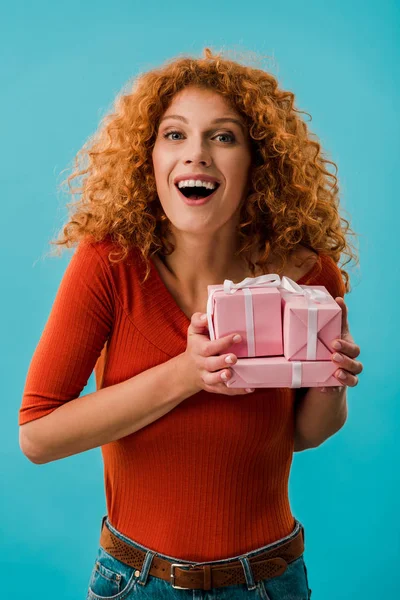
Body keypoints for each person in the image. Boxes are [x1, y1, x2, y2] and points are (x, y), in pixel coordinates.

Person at [18, 47, 363, 599]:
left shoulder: (304, 270)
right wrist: (187, 373)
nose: (196, 154)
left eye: (223, 137)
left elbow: (302, 434)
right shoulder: (110, 262)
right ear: (147, 156)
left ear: (258, 161)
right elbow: (36, 435)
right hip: (136, 581)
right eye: (174, 135)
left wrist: (331, 381)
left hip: (270, 581)